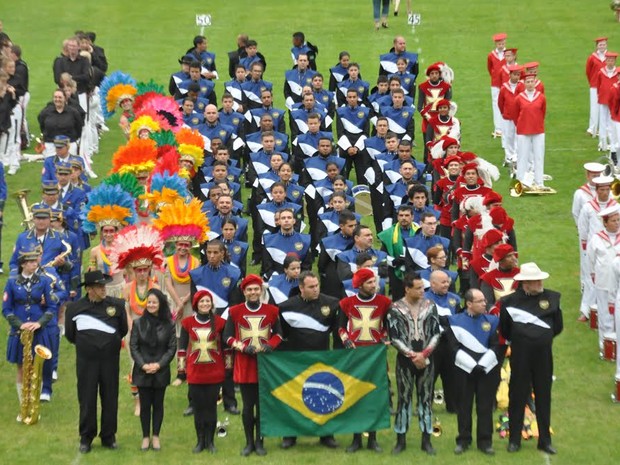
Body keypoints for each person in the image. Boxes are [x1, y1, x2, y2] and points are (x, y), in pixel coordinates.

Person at [499, 262, 562, 454]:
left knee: (543, 396)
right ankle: (514, 439)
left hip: (543, 356)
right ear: (525, 283)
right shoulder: (509, 302)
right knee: (517, 396)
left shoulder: (551, 298)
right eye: (536, 280)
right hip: (520, 356)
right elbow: (505, 328)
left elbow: (558, 326)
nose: (540, 283)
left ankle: (545, 439)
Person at [65, 270, 128, 453]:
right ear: (90, 289)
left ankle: (109, 436)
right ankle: (86, 437)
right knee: (86, 398)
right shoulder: (75, 308)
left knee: (110, 397)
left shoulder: (116, 306)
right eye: (99, 287)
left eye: (104, 286)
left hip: (110, 360)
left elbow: (122, 330)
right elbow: (71, 335)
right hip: (86, 362)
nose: (103, 289)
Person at [278, 271, 340, 449]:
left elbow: (337, 331)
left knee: (324, 397)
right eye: (311, 287)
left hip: (322, 359)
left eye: (317, 285)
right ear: (301, 288)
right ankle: (290, 435)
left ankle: (326, 435)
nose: (315, 290)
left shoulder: (331, 303)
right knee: (293, 397)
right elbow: (282, 335)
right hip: (296, 360)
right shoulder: (286, 307)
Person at [224, 274, 283, 456]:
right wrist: (242, 347)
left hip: (265, 365)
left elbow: (279, 335)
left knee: (262, 406)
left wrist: (269, 346)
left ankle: (260, 441)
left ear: (261, 290)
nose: (253, 292)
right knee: (248, 406)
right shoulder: (234, 312)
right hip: (245, 364)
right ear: (244, 292)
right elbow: (227, 337)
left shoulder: (272, 311)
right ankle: (249, 442)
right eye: (249, 289)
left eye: (256, 289)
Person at [388, 272, 441, 455]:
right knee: (404, 399)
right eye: (417, 288)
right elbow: (394, 337)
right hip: (405, 361)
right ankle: (400, 440)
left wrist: (424, 354)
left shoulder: (430, 306)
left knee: (426, 399)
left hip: (427, 359)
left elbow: (436, 333)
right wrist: (412, 355)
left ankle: (426, 440)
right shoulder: (395, 308)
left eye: (422, 288)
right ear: (407, 289)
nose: (422, 291)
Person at [339, 268, 391, 452]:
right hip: (355, 356)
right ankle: (356, 439)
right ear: (360, 285)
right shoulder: (347, 303)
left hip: (375, 357)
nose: (374, 285)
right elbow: (340, 327)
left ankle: (373, 439)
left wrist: (384, 337)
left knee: (374, 397)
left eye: (374, 282)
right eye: (369, 282)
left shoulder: (384, 302)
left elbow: (388, 327)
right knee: (355, 397)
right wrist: (346, 341)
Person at [3, 244, 58, 416]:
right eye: (31, 261)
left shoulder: (43, 282)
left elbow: (51, 307)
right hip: (19, 331)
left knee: (36, 368)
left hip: (38, 330)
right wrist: (19, 325)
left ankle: (34, 405)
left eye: (35, 260)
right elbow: (6, 309)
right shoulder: (12, 283)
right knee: (21, 367)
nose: (35, 264)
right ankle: (23, 405)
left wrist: (39, 323)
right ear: (23, 264)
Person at [445, 288, 499, 456]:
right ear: (469, 303)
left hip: (486, 370)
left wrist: (483, 364)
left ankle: (485, 441)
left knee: (485, 407)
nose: (485, 304)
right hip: (463, 370)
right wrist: (471, 365)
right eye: (480, 301)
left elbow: (496, 345)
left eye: (484, 300)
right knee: (464, 406)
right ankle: (463, 439)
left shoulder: (492, 321)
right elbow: (453, 347)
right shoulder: (454, 321)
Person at [178, 290, 227, 453]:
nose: (205, 304)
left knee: (211, 408)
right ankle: (200, 441)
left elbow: (226, 349)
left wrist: (228, 369)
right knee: (199, 409)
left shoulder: (220, 323)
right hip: (195, 373)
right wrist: (181, 372)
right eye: (202, 302)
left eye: (208, 301)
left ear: (212, 304)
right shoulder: (187, 323)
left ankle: (211, 441)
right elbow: (182, 349)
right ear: (196, 305)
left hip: (214, 373)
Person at [129, 289, 176, 452]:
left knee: (158, 404)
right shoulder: (138, 323)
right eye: (149, 302)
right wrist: (143, 365)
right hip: (142, 371)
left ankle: (155, 436)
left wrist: (158, 365)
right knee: (145, 404)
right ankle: (145, 437)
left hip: (160, 371)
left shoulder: (169, 324)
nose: (151, 305)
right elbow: (134, 347)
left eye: (154, 302)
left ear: (160, 303)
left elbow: (171, 348)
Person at [587, 204, 620, 355]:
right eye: (613, 220)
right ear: (605, 223)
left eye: (618, 220)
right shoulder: (596, 238)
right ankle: (604, 347)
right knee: (605, 314)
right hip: (604, 281)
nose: (617, 223)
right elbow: (591, 259)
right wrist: (595, 275)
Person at [586, 37, 608, 137]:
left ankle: (603, 128)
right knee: (594, 107)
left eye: (603, 44)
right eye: (600, 45)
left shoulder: (609, 57)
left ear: (606, 45)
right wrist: (592, 82)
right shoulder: (592, 57)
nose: (602, 46)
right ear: (597, 46)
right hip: (595, 85)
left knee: (604, 107)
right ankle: (592, 128)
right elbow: (588, 71)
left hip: (606, 86)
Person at [487, 33, 507, 138]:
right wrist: (495, 77)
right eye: (499, 43)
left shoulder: (508, 54)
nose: (501, 45)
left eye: (503, 43)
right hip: (495, 83)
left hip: (506, 83)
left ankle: (506, 127)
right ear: (496, 44)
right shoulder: (491, 55)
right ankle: (498, 128)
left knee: (506, 104)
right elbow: (490, 68)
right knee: (496, 104)